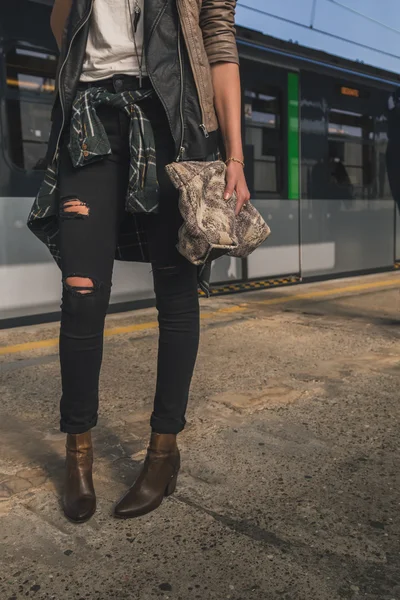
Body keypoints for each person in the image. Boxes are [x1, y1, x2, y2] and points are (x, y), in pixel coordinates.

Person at [28, 0, 250, 523]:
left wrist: (234, 156)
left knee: (175, 292)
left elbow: (218, 39)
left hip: (172, 118)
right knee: (81, 293)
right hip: (89, 117)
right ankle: (77, 454)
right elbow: (62, 25)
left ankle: (163, 451)